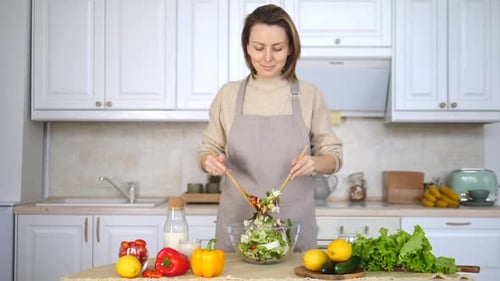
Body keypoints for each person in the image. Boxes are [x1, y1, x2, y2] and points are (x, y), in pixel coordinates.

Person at [197, 4, 343, 252]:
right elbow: (207, 150)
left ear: (290, 49)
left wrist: (314, 163)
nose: (267, 57)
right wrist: (208, 161)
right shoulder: (228, 95)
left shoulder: (309, 94)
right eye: (258, 48)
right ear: (247, 47)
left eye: (277, 48)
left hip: (292, 227)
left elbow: (334, 157)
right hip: (237, 227)